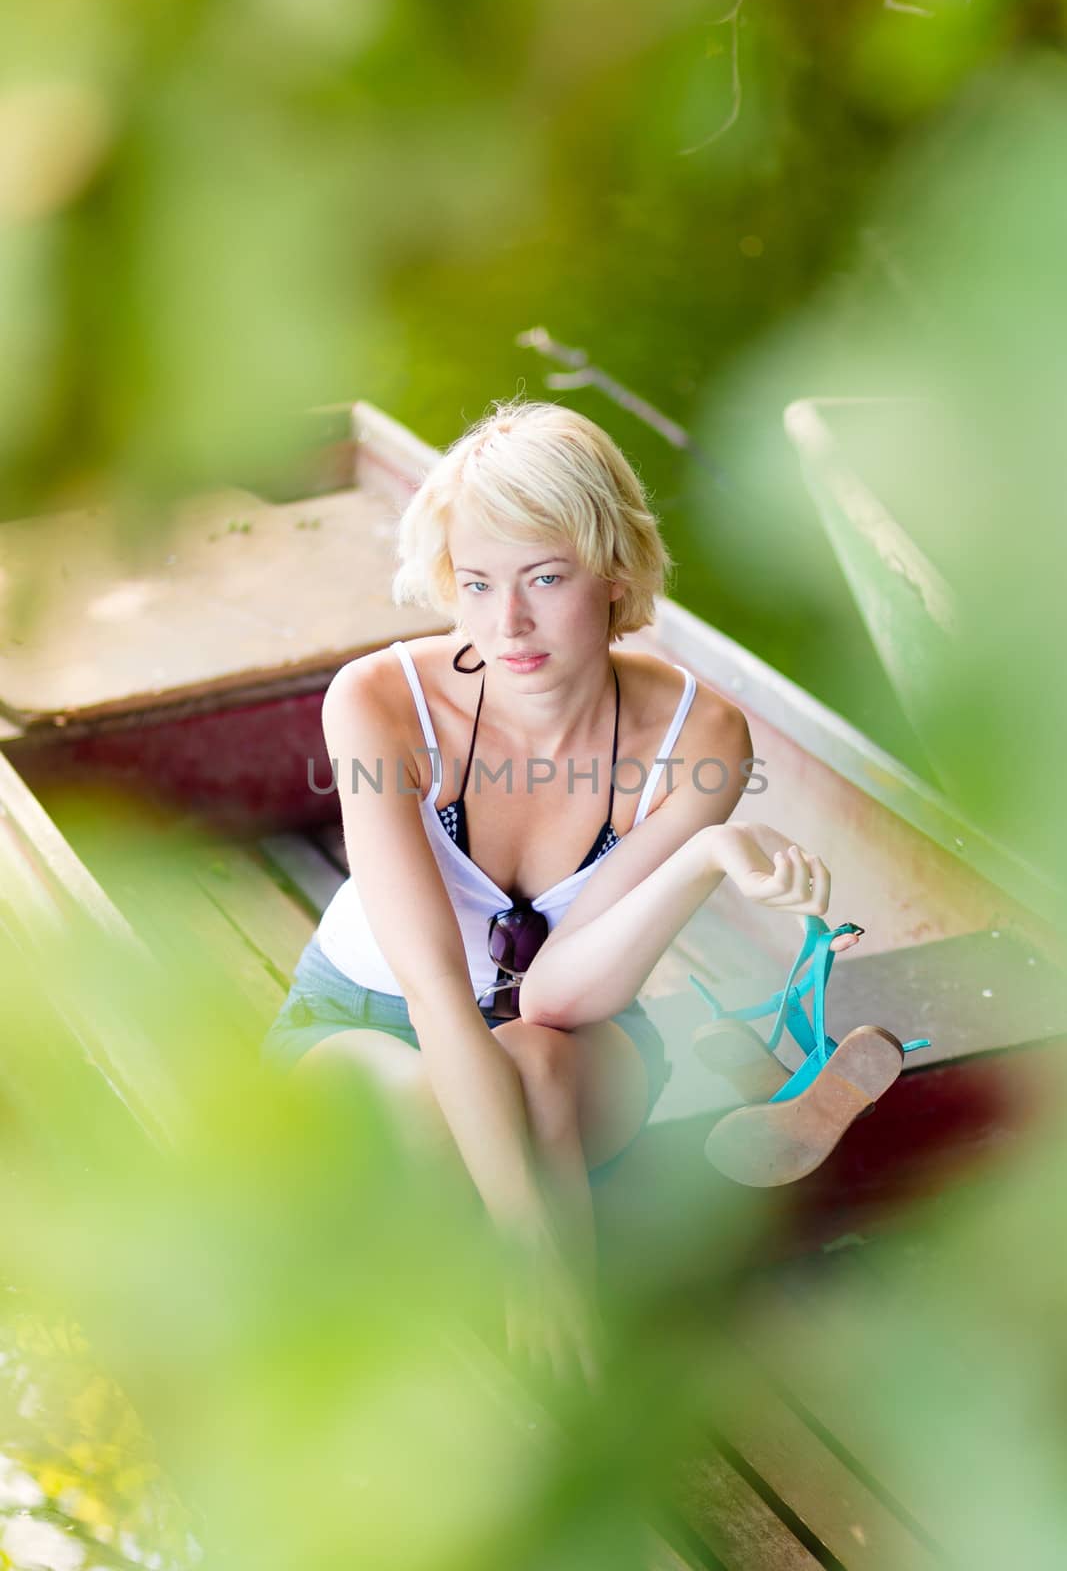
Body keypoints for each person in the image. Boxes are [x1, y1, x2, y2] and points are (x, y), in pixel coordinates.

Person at [262, 399, 847, 1387]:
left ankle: (517, 1309)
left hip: (569, 1042)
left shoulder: (695, 738)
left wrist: (702, 858)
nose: (507, 625)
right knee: (427, 1119)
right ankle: (553, 1294)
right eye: (476, 584)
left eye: (543, 579)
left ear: (612, 574)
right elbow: (441, 991)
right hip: (370, 1022)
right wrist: (541, 1264)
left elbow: (557, 1000)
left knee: (531, 1063)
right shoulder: (376, 704)